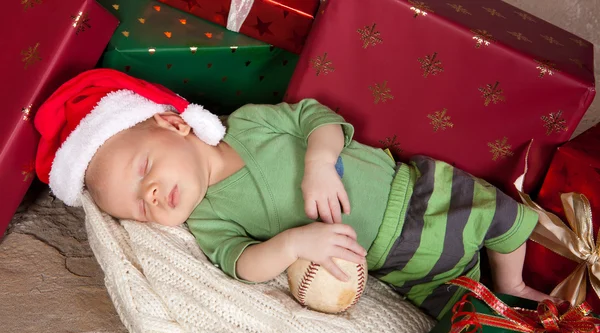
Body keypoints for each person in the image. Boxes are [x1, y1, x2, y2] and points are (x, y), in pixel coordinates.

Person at [34, 69, 551, 319]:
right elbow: (241, 262)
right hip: (399, 263)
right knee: (459, 316)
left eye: (144, 169)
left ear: (175, 124)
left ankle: (517, 283)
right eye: (137, 207)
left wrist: (319, 164)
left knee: (501, 217)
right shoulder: (208, 218)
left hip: (418, 194)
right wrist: (293, 245)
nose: (151, 195)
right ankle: (508, 310)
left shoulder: (250, 125)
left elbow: (317, 117)